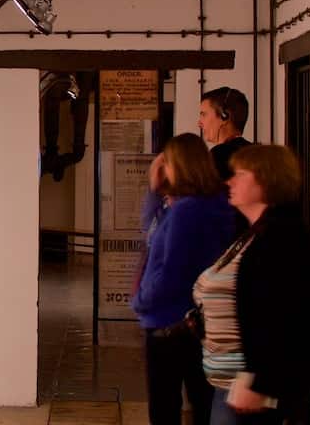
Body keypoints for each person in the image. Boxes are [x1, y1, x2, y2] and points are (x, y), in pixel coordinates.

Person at [195, 145, 310, 425]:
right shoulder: (256, 233)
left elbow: (285, 316)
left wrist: (260, 382)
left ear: (266, 179)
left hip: (263, 393)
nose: (230, 181)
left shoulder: (282, 236)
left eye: (240, 174)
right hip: (241, 383)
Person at [130, 133, 240, 425]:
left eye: (166, 162)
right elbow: (151, 230)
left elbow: (170, 271)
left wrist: (142, 300)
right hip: (199, 322)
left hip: (169, 322)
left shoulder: (186, 212)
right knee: (201, 403)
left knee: (165, 408)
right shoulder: (212, 205)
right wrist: (156, 194)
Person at [199, 87, 253, 180]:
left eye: (204, 114)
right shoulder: (255, 153)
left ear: (224, 116)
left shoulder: (218, 157)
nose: (199, 123)